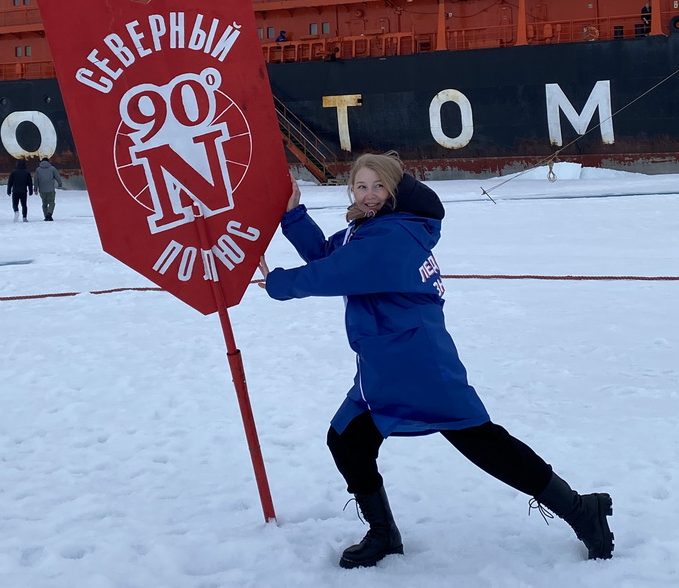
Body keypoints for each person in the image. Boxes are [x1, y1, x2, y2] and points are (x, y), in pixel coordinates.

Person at [259, 153, 613, 569]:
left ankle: (579, 509)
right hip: (385, 365)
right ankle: (384, 533)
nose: (369, 195)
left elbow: (327, 276)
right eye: (361, 186)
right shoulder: (369, 230)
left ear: (396, 190)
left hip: (418, 365)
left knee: (484, 444)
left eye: (379, 186)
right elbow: (327, 257)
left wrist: (278, 282)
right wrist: (294, 215)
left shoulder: (392, 238)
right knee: (348, 440)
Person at [34, 157, 63, 221]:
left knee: (44, 204)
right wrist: (60, 183)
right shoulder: (52, 168)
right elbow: (57, 177)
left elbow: (36, 180)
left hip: (42, 190)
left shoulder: (38, 170)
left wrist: (35, 189)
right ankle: (49, 214)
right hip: (51, 189)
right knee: (52, 202)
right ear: (48, 162)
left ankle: (46, 216)